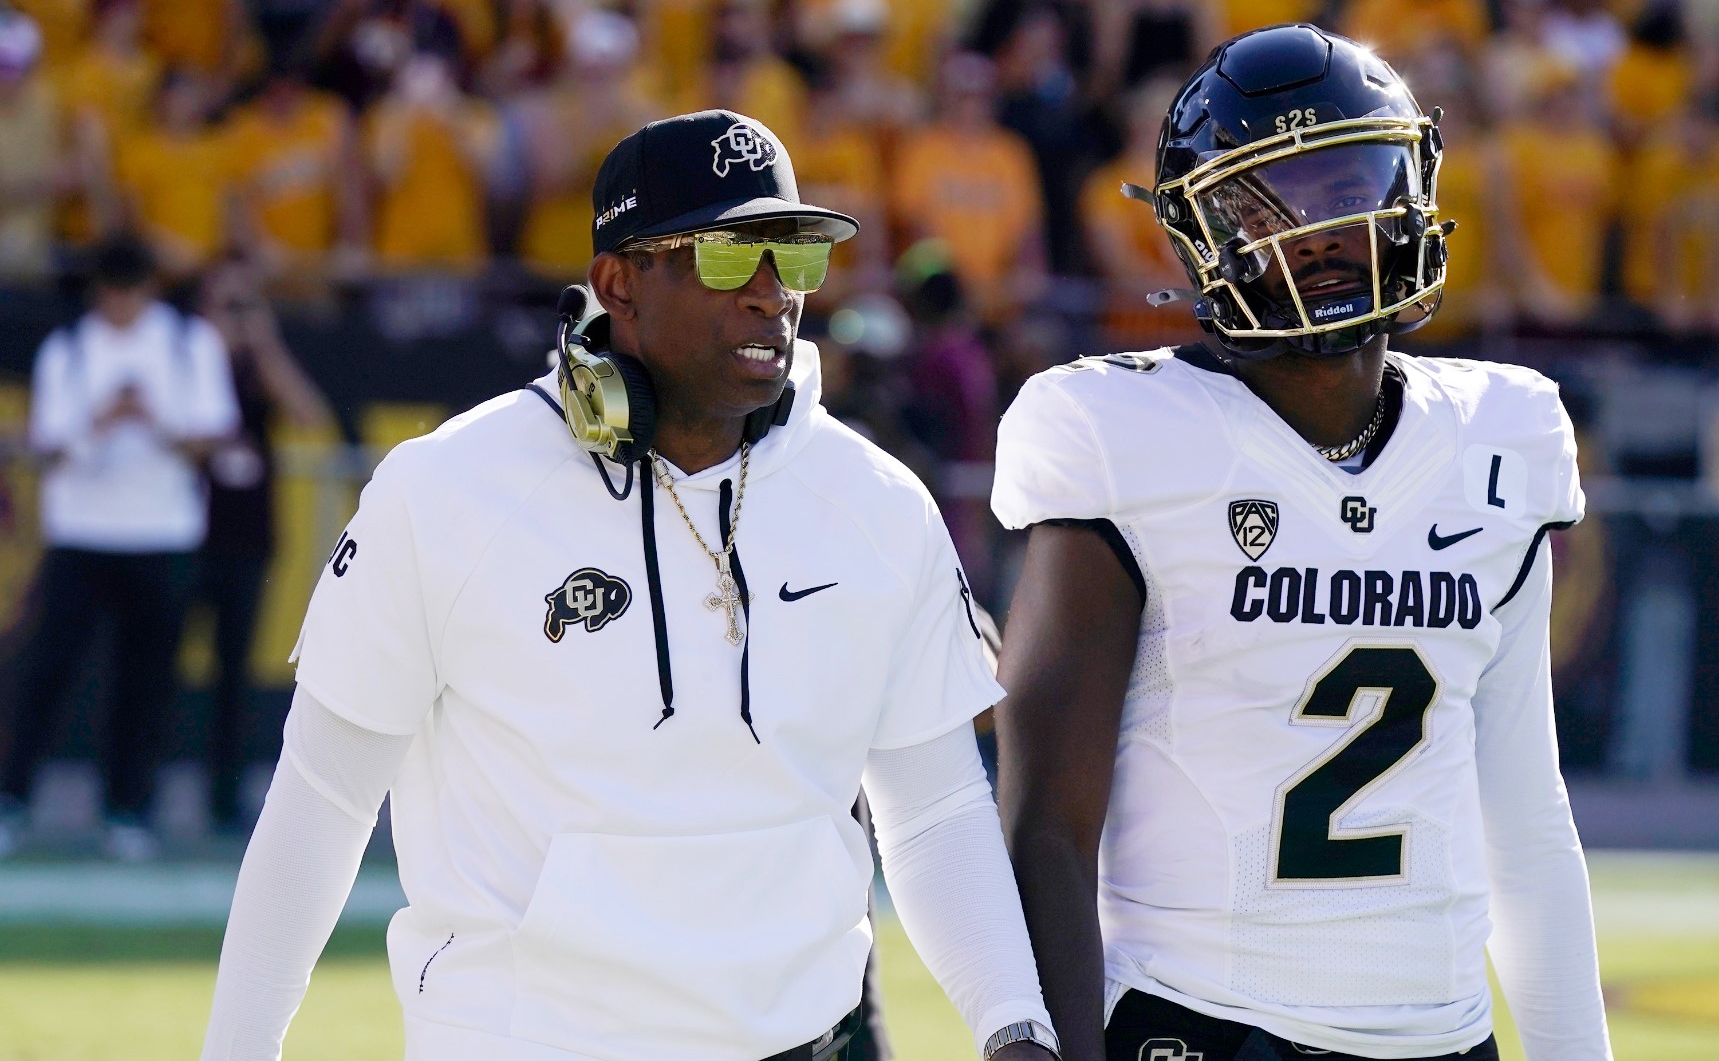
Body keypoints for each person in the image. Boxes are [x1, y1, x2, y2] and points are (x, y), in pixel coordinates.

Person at [199, 109, 1059, 1061]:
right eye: (733, 258)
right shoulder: (445, 489)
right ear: (620, 283)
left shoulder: (879, 501)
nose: (773, 296)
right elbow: (322, 799)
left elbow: (935, 809)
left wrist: (1014, 1028)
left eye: (795, 260)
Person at [991, 25, 1612, 1061]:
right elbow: (1046, 826)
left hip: (1444, 1033)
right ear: (1199, 234)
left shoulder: (1506, 433)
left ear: (1412, 189)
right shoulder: (1120, 431)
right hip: (1203, 1022)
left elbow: (1524, 811)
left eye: (1350, 186)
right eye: (1267, 202)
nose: (1317, 232)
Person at [0, 231, 239, 861]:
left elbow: (215, 437)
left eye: (130, 291)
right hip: (80, 534)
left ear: (148, 289)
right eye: (110, 292)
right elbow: (46, 450)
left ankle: (128, 811)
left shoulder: (189, 344)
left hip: (162, 535)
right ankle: (12, 801)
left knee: (147, 680)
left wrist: (155, 423)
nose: (119, 304)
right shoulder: (70, 349)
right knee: (45, 673)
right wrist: (101, 422)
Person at [195, 256, 334, 830]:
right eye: (227, 305)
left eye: (245, 304)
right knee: (154, 663)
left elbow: (309, 416)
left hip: (248, 534)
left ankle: (223, 799)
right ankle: (135, 799)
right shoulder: (187, 360)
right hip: (184, 531)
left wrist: (263, 341)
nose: (237, 317)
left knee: (235, 668)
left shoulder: (260, 364)